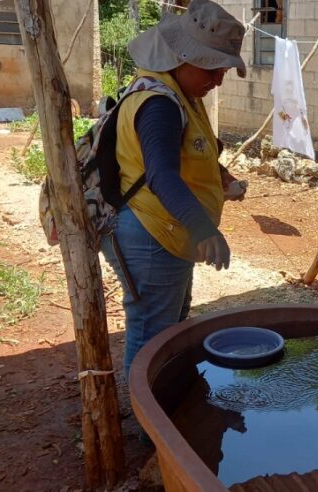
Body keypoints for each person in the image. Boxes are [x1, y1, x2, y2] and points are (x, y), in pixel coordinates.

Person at [101, 0, 247, 378]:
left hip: (168, 232)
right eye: (213, 68)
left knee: (170, 324)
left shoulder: (182, 95)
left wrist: (221, 175)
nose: (218, 80)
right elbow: (162, 175)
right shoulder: (158, 105)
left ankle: (164, 406)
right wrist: (203, 229)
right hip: (152, 234)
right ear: (184, 56)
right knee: (152, 333)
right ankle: (147, 424)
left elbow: (185, 150)